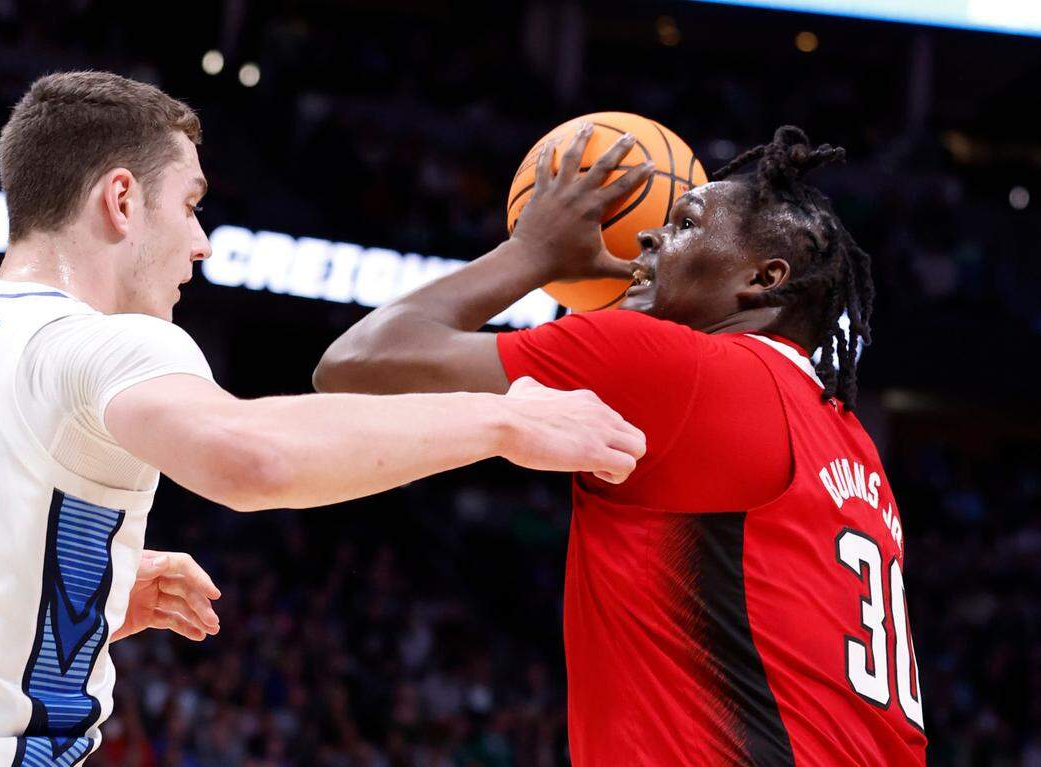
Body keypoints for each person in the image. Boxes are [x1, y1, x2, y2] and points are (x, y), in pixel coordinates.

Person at [0, 72, 645, 766]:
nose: (202, 241)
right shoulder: (100, 340)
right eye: (190, 204)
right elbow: (254, 458)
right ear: (121, 201)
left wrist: (47, 589)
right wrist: (503, 419)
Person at [314, 124, 929, 765]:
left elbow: (358, 362)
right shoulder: (853, 443)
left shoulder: (673, 365)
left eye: (685, 223)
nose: (649, 234)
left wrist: (530, 253)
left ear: (763, 277)